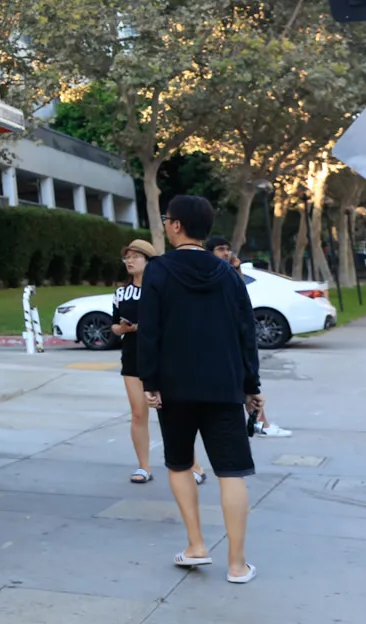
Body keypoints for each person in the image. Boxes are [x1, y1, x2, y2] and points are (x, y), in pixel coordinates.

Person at [139, 195, 261, 585]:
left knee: (179, 464)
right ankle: (238, 565)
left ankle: (196, 546)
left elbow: (150, 332)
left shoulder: (158, 271)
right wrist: (251, 386)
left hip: (174, 388)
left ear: (176, 226)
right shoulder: (229, 275)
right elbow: (247, 334)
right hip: (224, 386)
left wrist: (150, 382)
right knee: (231, 473)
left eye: (167, 219)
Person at [112, 239, 205, 485]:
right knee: (138, 413)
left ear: (149, 261)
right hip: (132, 357)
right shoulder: (121, 292)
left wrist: (143, 327)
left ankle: (194, 466)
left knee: (175, 414)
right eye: (127, 257)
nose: (129, 261)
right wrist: (122, 328)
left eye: (135, 257)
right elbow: (113, 325)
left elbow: (173, 323)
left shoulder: (164, 288)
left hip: (163, 357)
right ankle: (144, 467)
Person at [205, 235, 291, 438]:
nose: (226, 253)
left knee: (247, 379)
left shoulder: (229, 272)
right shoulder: (211, 274)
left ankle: (260, 421)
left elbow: (239, 295)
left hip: (236, 336)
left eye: (227, 249)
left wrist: (237, 269)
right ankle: (257, 422)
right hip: (220, 339)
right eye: (220, 249)